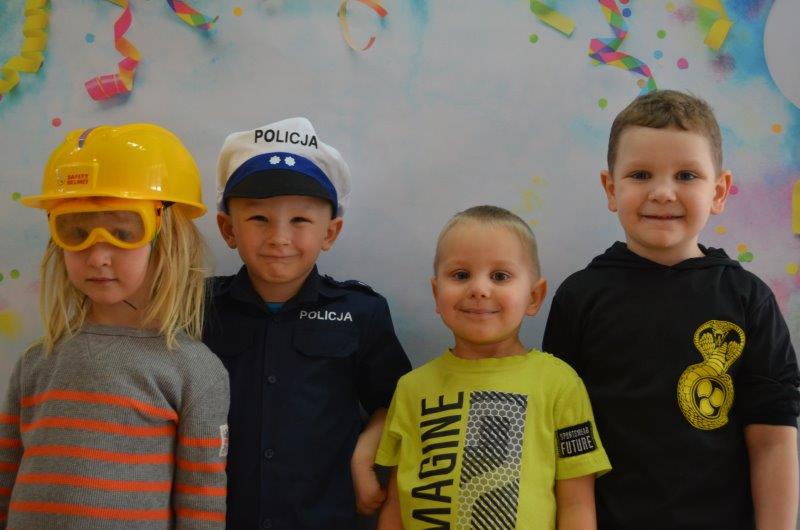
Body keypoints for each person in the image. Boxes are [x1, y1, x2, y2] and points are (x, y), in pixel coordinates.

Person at [543, 89, 800, 530]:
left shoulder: (748, 299)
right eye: (641, 174)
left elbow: (773, 441)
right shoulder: (579, 298)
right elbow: (564, 441)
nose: (663, 193)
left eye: (686, 175)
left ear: (719, 191)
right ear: (611, 188)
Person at [0, 123, 230, 529]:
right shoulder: (37, 362)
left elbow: (202, 502)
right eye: (76, 232)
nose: (97, 255)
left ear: (169, 239)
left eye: (123, 232)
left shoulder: (195, 370)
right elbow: (6, 476)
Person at [204, 117, 411, 529]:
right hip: (218, 518)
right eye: (259, 219)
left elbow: (397, 401)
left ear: (330, 233)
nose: (279, 237)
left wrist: (364, 452)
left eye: (300, 221)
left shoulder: (361, 312)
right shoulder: (196, 307)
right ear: (228, 228)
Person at [376, 205, 611, 530]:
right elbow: (395, 504)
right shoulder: (411, 388)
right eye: (461, 275)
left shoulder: (559, 383)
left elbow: (577, 504)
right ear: (436, 293)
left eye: (500, 276)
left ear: (534, 296)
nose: (479, 289)